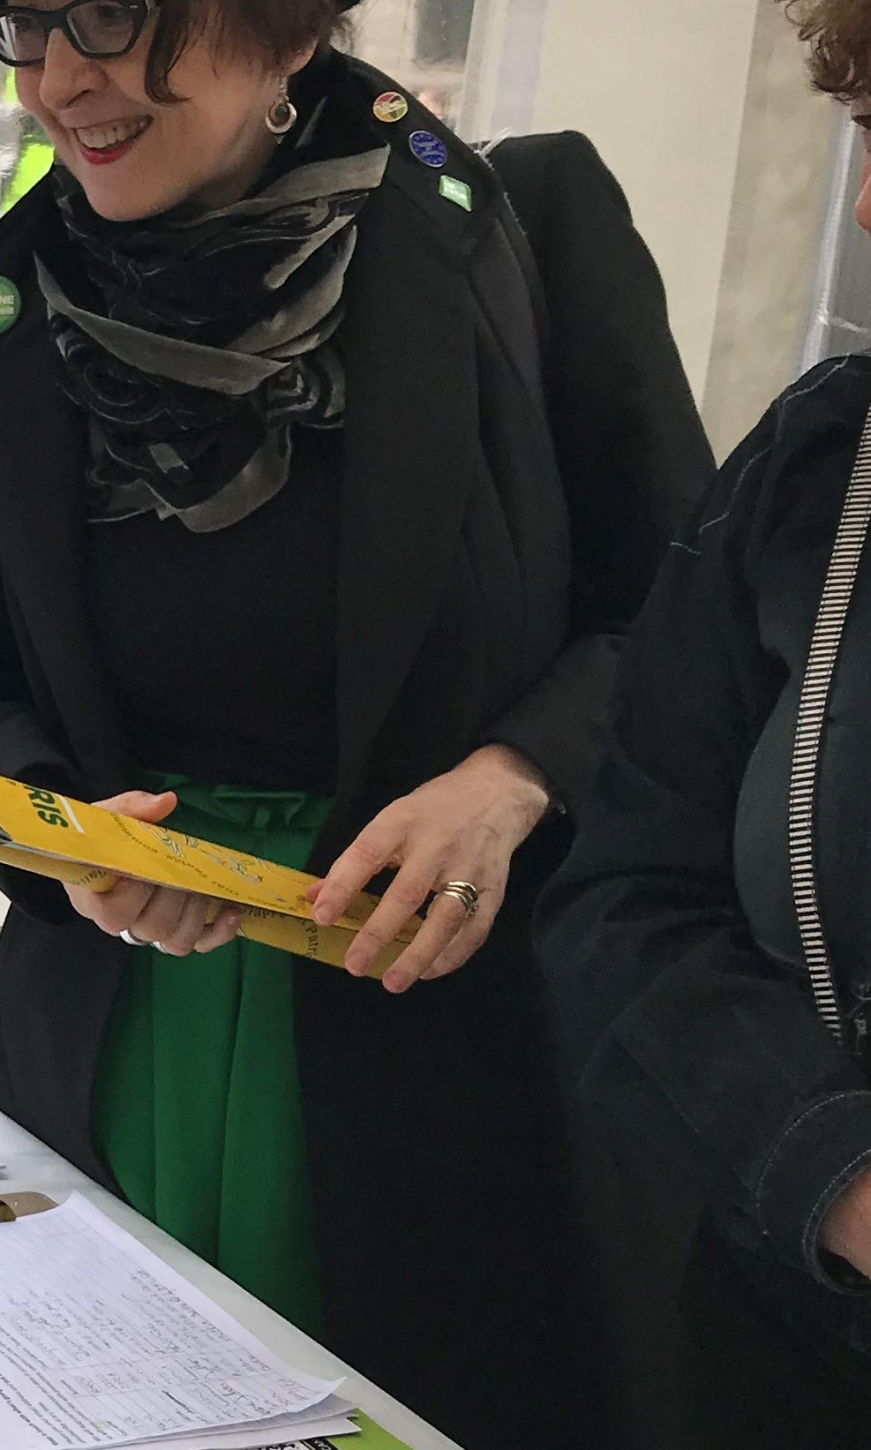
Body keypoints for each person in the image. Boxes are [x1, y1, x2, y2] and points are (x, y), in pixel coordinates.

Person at [0, 1, 710, 1444]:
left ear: (276, 27)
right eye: (21, 22)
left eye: (110, 16)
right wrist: (62, 839)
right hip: (125, 1014)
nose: (58, 77)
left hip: (456, 1022)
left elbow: (677, 620)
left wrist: (518, 773)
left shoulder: (518, 226)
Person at [539, 3, 871, 1441]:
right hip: (786, 1339)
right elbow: (625, 896)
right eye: (869, 138)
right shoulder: (813, 473)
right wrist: (836, 1174)